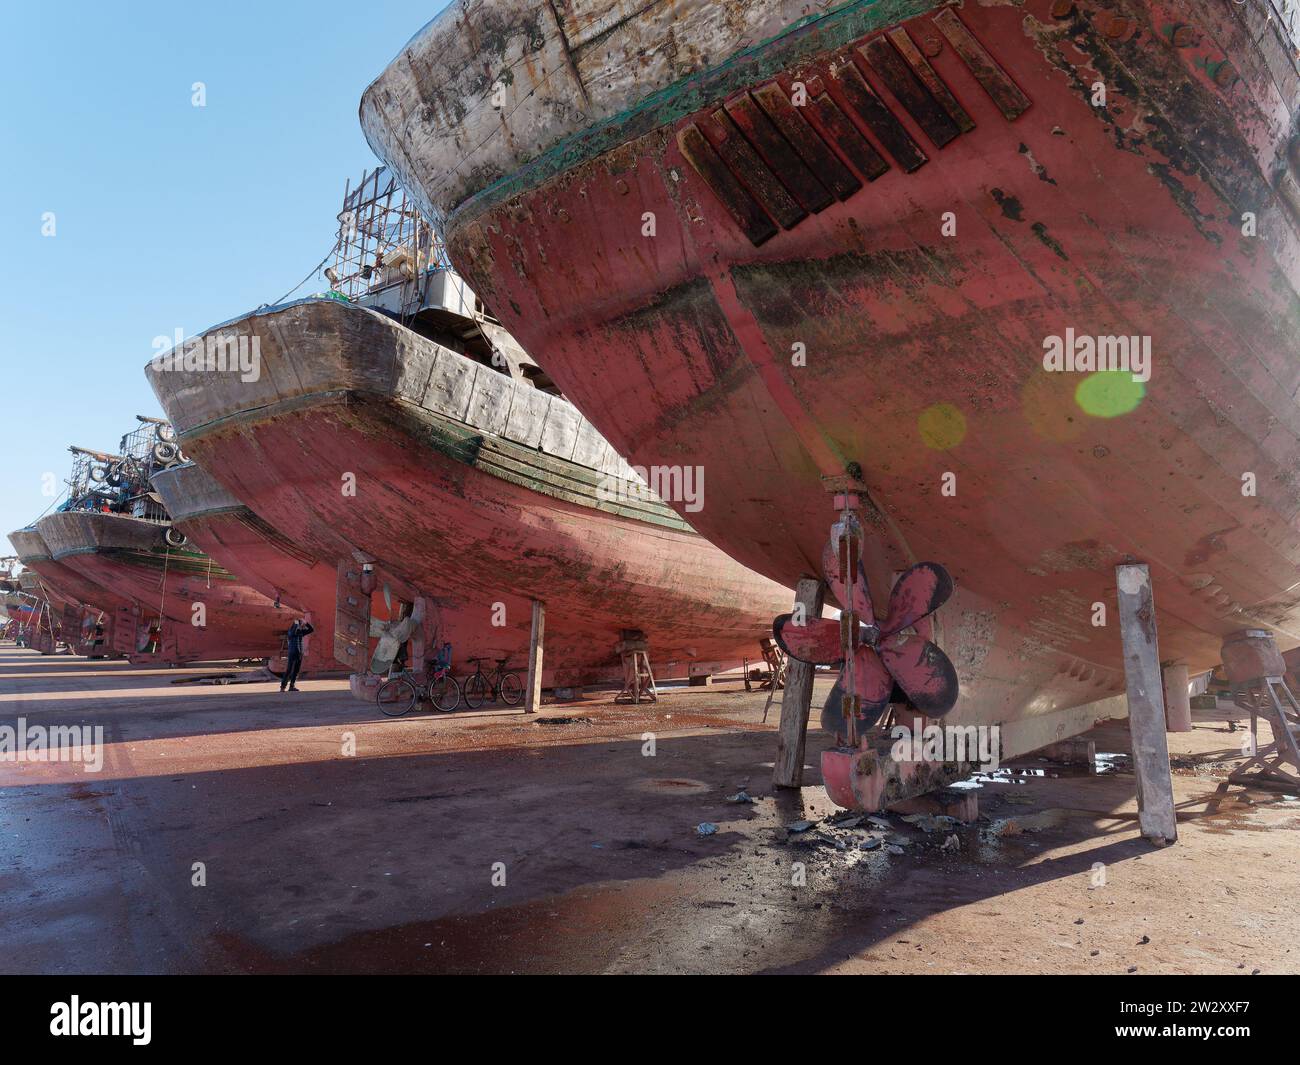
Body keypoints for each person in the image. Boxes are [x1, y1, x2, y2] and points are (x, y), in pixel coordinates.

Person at [281, 617, 314, 693]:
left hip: (299, 653)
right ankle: (283, 687)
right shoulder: (291, 632)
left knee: (296, 670)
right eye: (299, 624)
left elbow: (311, 629)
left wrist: (305, 623)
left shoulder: (301, 632)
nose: (300, 625)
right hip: (292, 652)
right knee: (289, 670)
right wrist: (297, 622)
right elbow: (294, 631)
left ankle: (292, 686)